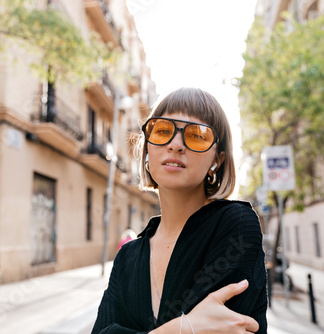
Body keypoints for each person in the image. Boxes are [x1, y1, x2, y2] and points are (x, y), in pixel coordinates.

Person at [92, 87, 267, 334]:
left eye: (197, 135)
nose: (175, 145)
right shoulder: (127, 257)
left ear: (217, 160)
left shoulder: (235, 225)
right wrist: (187, 327)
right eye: (163, 131)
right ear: (147, 149)